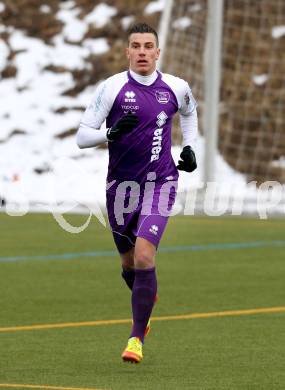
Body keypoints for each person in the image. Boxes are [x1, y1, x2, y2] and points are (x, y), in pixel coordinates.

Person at [76, 22, 198, 363]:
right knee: (129, 262)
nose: (142, 51)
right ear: (127, 51)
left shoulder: (176, 87)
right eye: (136, 46)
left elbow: (190, 112)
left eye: (148, 46)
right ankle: (146, 296)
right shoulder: (111, 88)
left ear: (158, 52)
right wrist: (110, 133)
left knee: (145, 255)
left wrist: (189, 148)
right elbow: (83, 136)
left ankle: (135, 338)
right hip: (121, 188)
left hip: (161, 182)